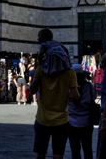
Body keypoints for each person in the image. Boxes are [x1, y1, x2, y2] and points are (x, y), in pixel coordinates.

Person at [30, 29, 80, 159]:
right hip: (61, 120)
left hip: (42, 119)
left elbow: (32, 90)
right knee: (58, 154)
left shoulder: (41, 69)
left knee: (40, 154)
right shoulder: (70, 73)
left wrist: (38, 76)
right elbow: (74, 96)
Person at [67, 64, 98, 159]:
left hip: (71, 120)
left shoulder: (67, 87)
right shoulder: (89, 85)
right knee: (87, 148)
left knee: (75, 149)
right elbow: (93, 98)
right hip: (87, 120)